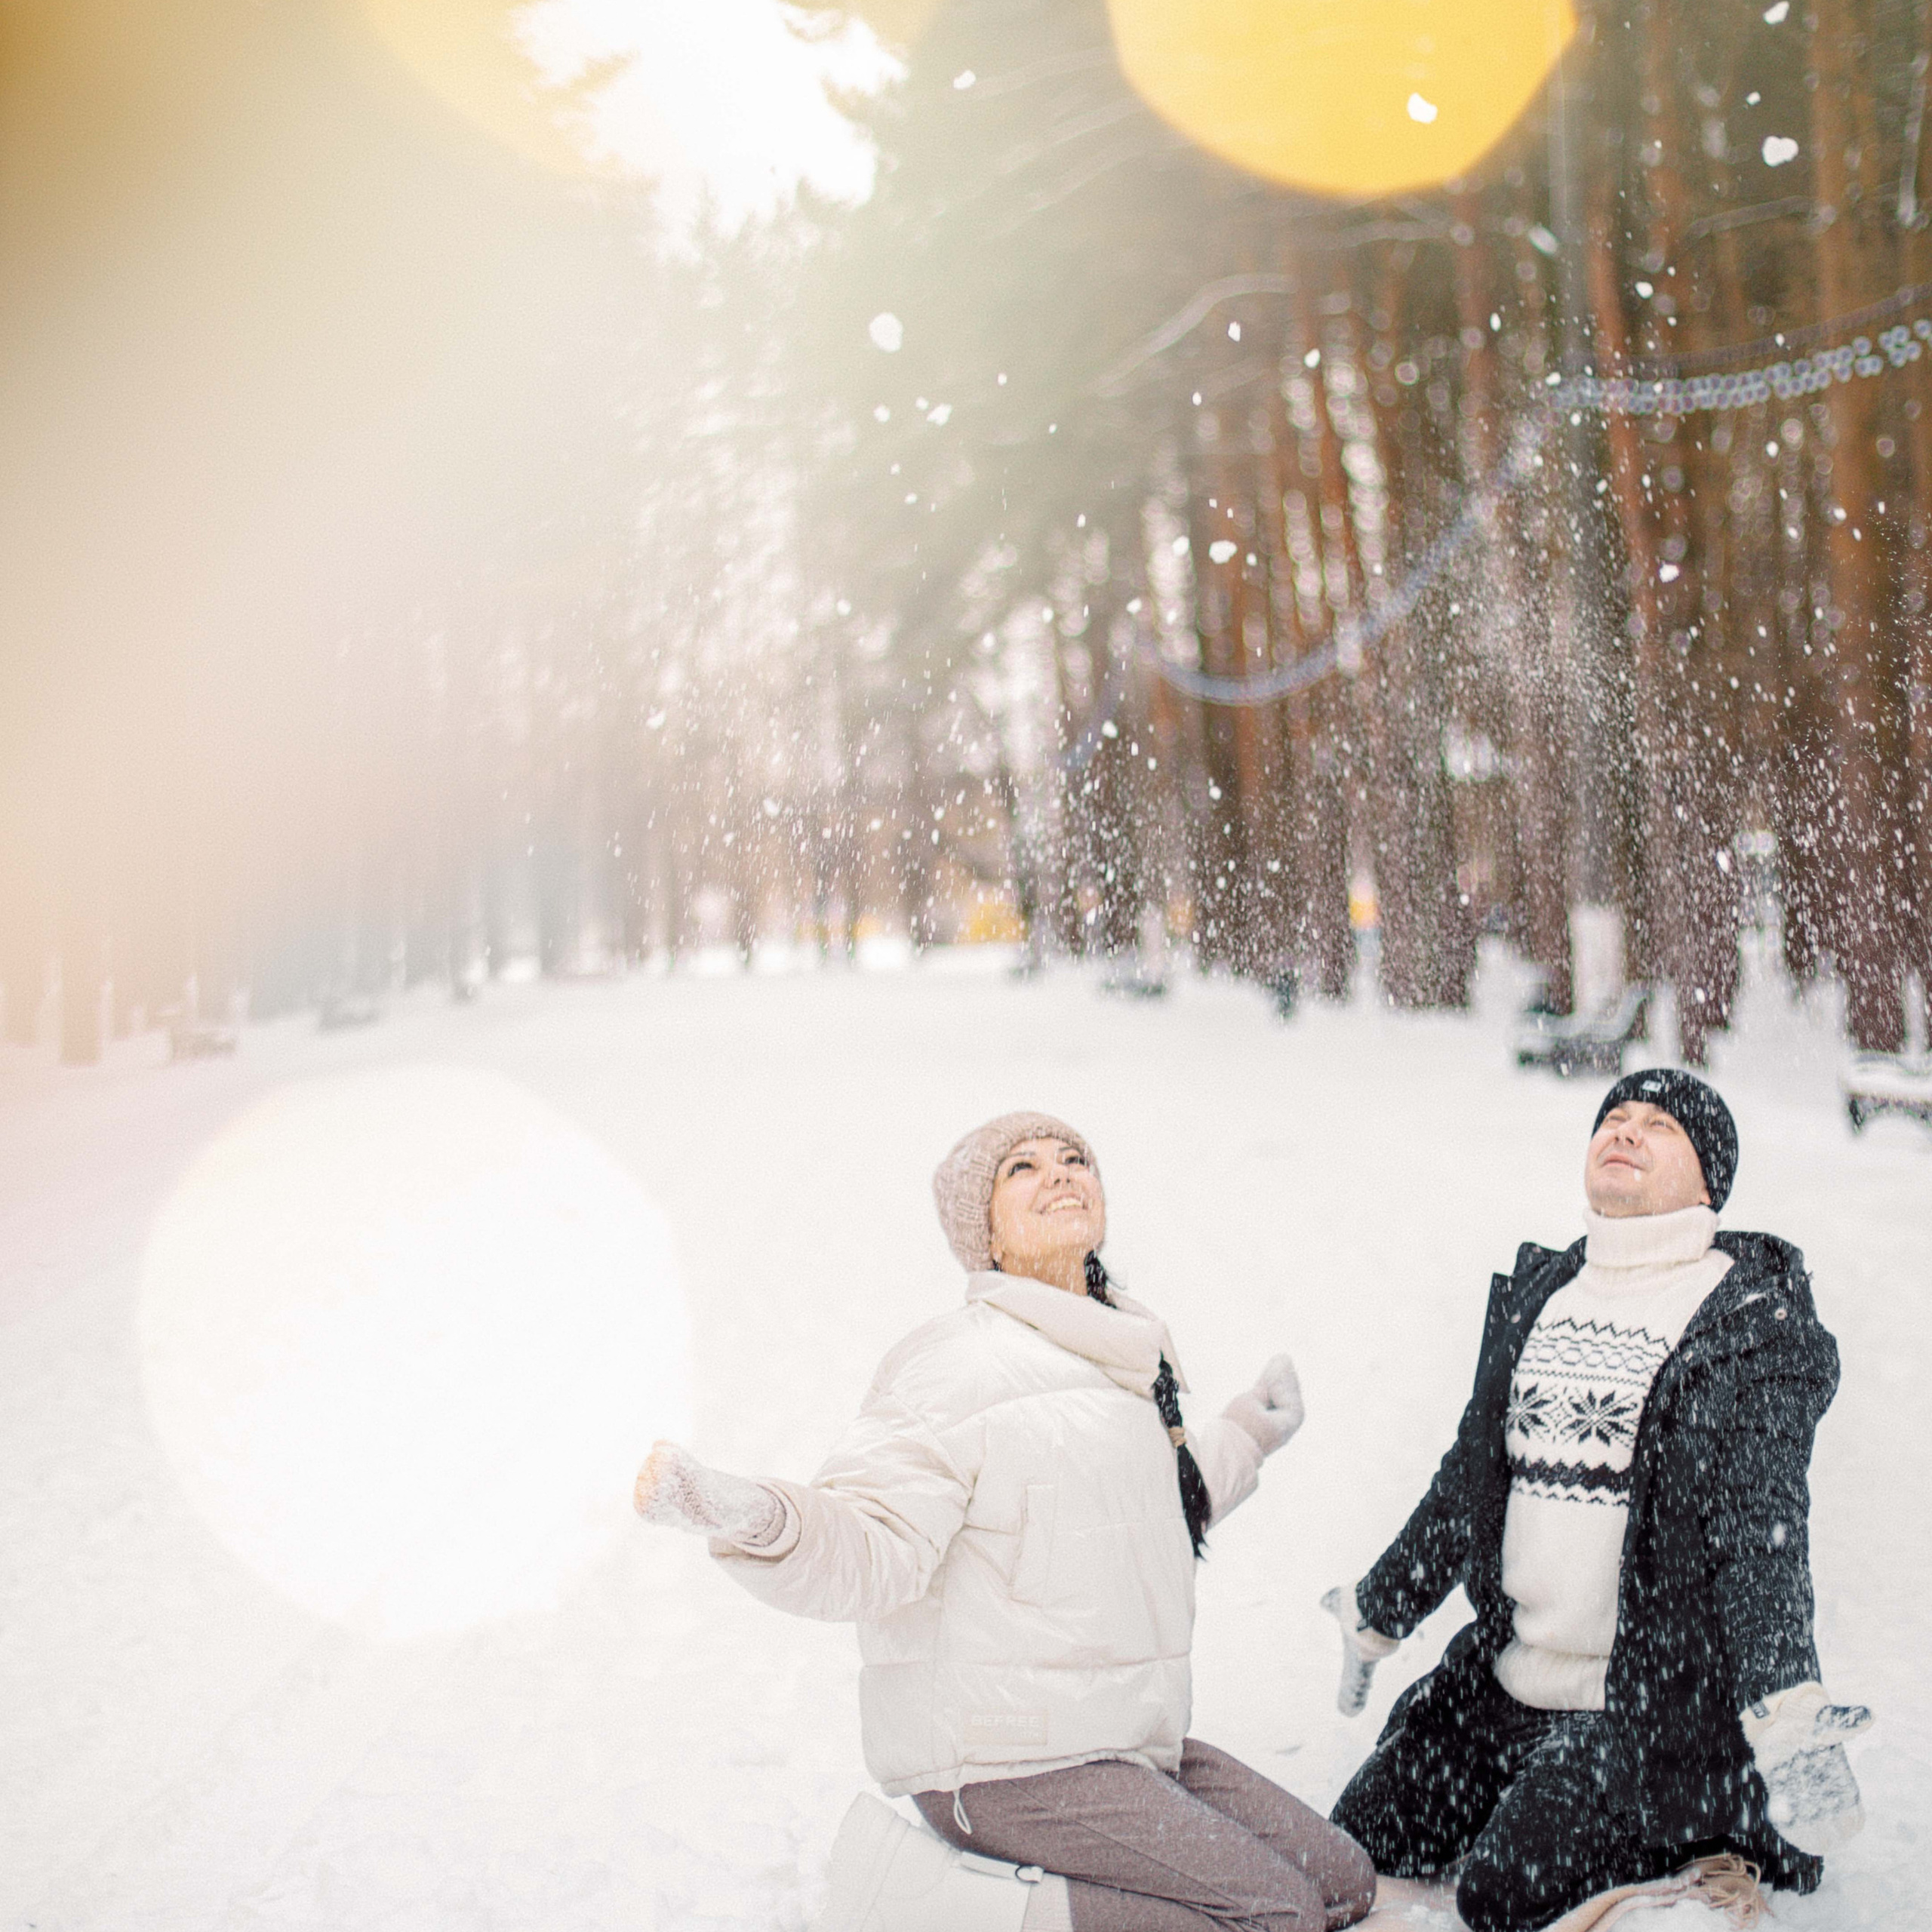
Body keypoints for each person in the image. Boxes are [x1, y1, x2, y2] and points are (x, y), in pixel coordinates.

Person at [636, 1110, 1376, 1932]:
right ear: (980, 1231)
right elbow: (875, 1542)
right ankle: (957, 1910)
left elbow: (1159, 1503)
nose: (1059, 1173)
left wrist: (1248, 1429)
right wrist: (760, 1519)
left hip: (1120, 1740)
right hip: (1001, 1765)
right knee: (1277, 1915)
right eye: (1021, 1168)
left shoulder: (1118, 1355)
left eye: (1074, 1158)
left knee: (1340, 1881)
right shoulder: (955, 1362)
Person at [1323, 1069, 1871, 1932]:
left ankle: (1709, 1843)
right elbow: (1468, 1484)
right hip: (1507, 1683)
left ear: (1707, 1181)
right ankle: (1538, 1784)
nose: (1624, 1130)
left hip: (1648, 1711)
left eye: (1659, 1125)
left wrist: (1788, 1706)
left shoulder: (1748, 1325)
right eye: (1612, 1117)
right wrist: (1378, 1607)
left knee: (1501, 1896)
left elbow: (1759, 1531)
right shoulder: (1542, 1295)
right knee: (1354, 1848)